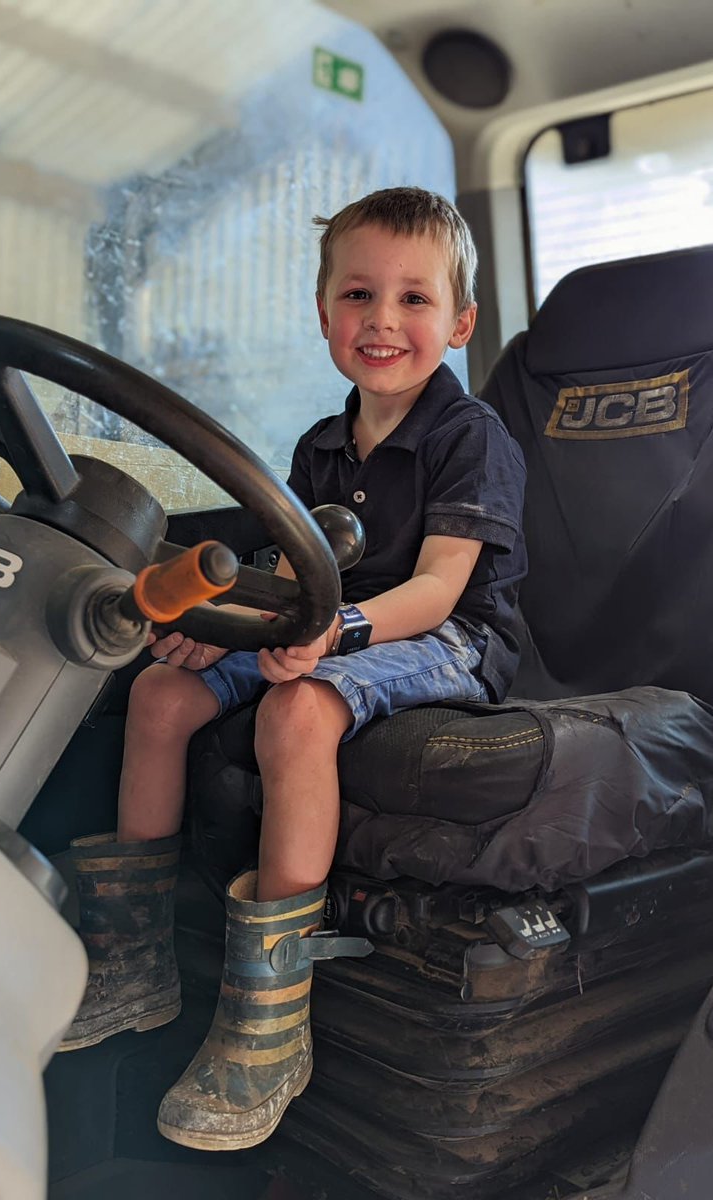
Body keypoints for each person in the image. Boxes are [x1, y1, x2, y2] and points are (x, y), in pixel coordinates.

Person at [60, 186, 527, 1151]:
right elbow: (289, 567)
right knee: (160, 692)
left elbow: (439, 589)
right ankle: (134, 960)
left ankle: (266, 1021)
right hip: (333, 622)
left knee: (297, 715)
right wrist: (220, 623)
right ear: (324, 315)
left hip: (443, 640)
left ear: (460, 322)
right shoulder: (319, 447)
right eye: (358, 296)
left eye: (413, 299)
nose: (383, 321)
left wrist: (334, 634)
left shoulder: (469, 437)